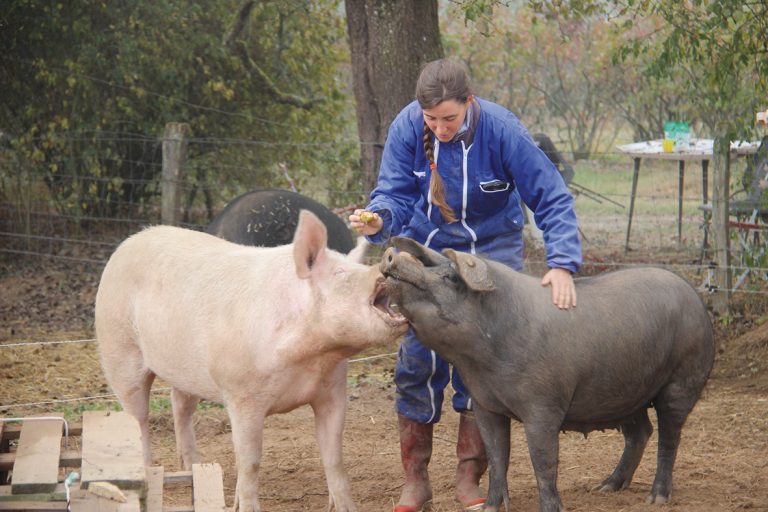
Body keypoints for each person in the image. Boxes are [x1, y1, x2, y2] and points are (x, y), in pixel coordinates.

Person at [349, 58, 582, 512]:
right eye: (431, 119)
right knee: (416, 363)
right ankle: (415, 480)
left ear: (469, 104)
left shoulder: (502, 130)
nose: (439, 128)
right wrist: (380, 220)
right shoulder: (406, 127)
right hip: (425, 250)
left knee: (483, 365)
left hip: (493, 253)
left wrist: (563, 263)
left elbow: (551, 196)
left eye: (449, 118)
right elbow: (393, 193)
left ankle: (469, 476)